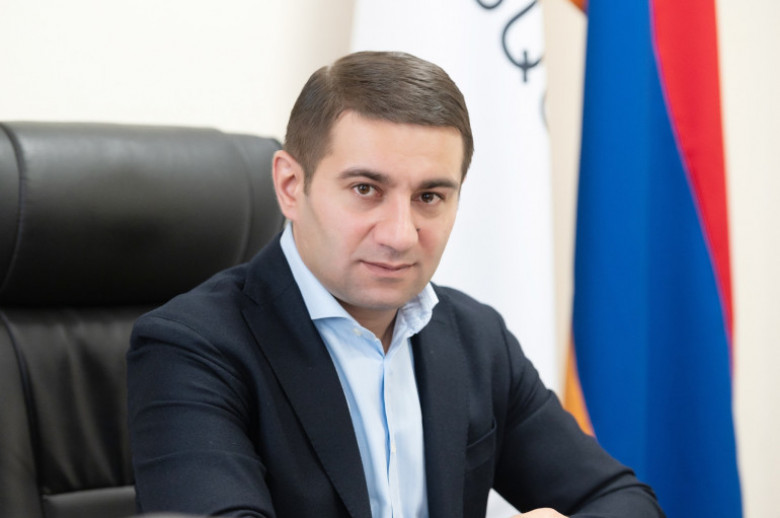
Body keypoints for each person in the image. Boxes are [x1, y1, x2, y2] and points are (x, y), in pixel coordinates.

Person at [127, 51, 664, 518]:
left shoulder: (477, 338)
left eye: (430, 197)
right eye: (366, 189)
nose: (400, 234)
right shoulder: (190, 347)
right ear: (291, 185)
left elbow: (624, 500)